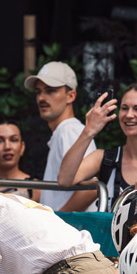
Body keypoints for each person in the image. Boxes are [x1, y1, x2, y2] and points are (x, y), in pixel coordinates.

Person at [55, 83, 137, 212]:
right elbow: (65, 180)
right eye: (124, 108)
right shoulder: (104, 159)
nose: (129, 115)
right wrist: (89, 131)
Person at [28, 60, 94, 211]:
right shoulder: (64, 131)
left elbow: (91, 188)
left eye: (50, 90)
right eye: (38, 91)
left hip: (70, 225)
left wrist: (58, 218)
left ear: (70, 96)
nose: (41, 98)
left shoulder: (70, 130)